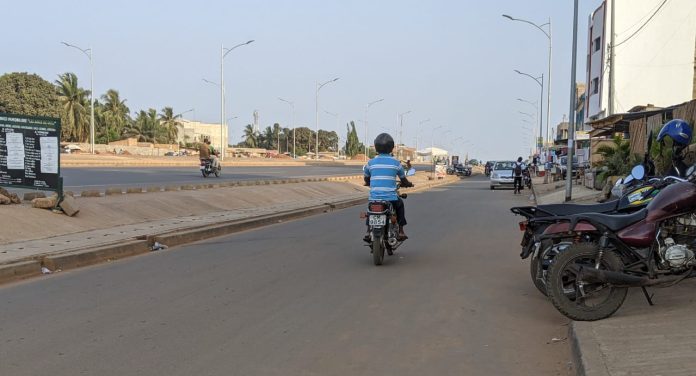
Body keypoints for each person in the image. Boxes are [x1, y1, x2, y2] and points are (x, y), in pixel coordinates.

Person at [363, 133, 413, 241]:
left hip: (375, 197)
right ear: (391, 148)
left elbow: (366, 177)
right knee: (400, 205)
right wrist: (407, 184)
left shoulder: (370, 163)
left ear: (376, 147)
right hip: (391, 197)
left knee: (370, 209)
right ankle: (401, 230)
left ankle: (368, 231)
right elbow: (403, 179)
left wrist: (368, 182)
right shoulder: (395, 163)